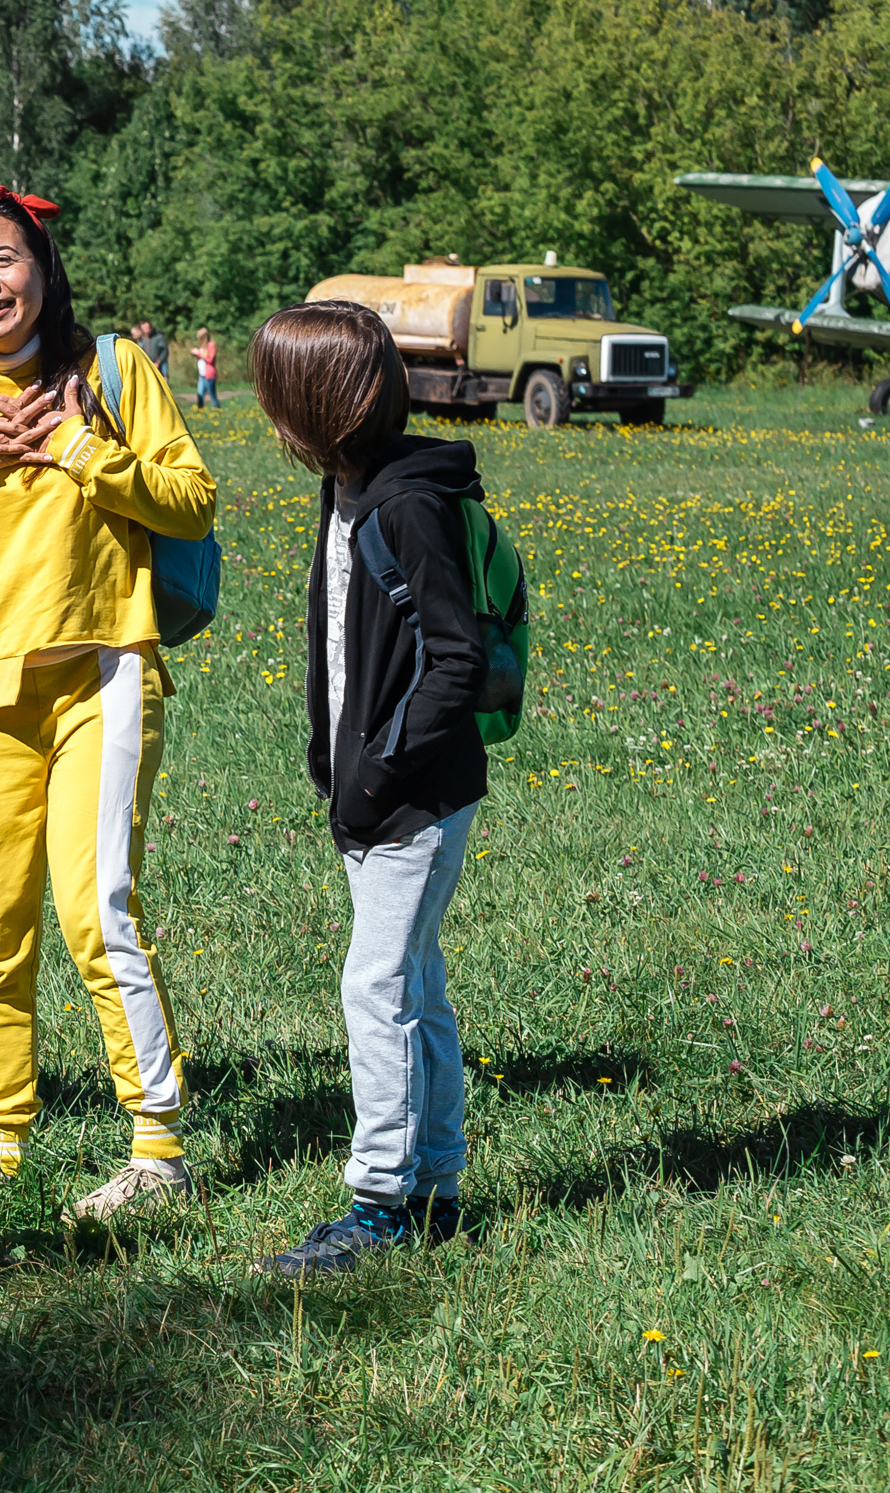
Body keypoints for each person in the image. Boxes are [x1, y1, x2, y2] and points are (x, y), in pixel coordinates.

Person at [0, 186, 216, 1220]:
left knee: (95, 908)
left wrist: (76, 449)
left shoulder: (111, 373)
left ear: (41, 267)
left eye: (3, 260)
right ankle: (3, 1148)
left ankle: (158, 1150)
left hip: (100, 675)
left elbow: (191, 499)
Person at [245, 299, 489, 1276]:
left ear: (317, 407)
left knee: (375, 988)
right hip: (372, 790)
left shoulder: (404, 505)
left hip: (410, 796)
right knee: (413, 989)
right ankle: (434, 1188)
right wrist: (334, 764)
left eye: (275, 401)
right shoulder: (346, 491)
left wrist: (380, 770)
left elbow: (455, 661)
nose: (268, 421)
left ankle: (380, 1201)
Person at [193, 327, 221, 409]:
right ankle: (200, 412)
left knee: (212, 395)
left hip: (209, 375)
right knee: (200, 395)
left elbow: (211, 359)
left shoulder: (211, 345)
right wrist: (196, 354)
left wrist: (199, 353)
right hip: (202, 375)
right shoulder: (202, 346)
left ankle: (218, 409)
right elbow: (202, 358)